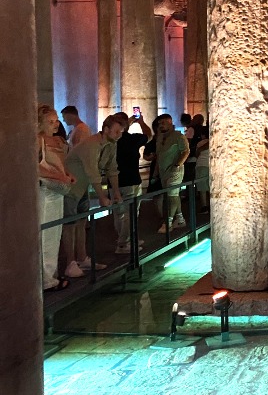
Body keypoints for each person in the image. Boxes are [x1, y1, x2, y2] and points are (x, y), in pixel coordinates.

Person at [62, 115, 124, 277]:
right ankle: (70, 262)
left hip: (82, 188)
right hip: (70, 188)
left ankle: (82, 258)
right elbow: (92, 172)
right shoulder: (91, 144)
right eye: (116, 131)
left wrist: (116, 194)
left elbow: (112, 169)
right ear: (106, 130)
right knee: (70, 225)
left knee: (81, 222)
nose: (119, 135)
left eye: (121, 132)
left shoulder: (110, 145)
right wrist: (103, 197)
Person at [37, 105, 76, 291]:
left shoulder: (56, 140)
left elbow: (60, 164)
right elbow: (37, 167)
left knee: (54, 235)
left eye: (56, 120)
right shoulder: (38, 140)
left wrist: (66, 173)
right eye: (50, 121)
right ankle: (45, 278)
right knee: (45, 236)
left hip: (58, 191)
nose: (55, 124)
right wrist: (60, 176)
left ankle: (50, 274)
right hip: (46, 192)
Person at [112, 111, 151, 254]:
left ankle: (126, 239)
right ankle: (123, 243)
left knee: (119, 214)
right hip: (131, 180)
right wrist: (140, 121)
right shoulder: (131, 139)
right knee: (131, 213)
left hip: (114, 182)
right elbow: (149, 134)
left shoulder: (111, 140)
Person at [152, 114, 190, 233]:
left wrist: (177, 165)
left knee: (171, 196)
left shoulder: (178, 136)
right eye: (159, 123)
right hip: (164, 172)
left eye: (163, 122)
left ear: (170, 122)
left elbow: (186, 151)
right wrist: (156, 172)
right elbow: (159, 156)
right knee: (173, 195)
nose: (161, 125)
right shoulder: (160, 138)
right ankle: (180, 218)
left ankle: (167, 222)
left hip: (175, 171)